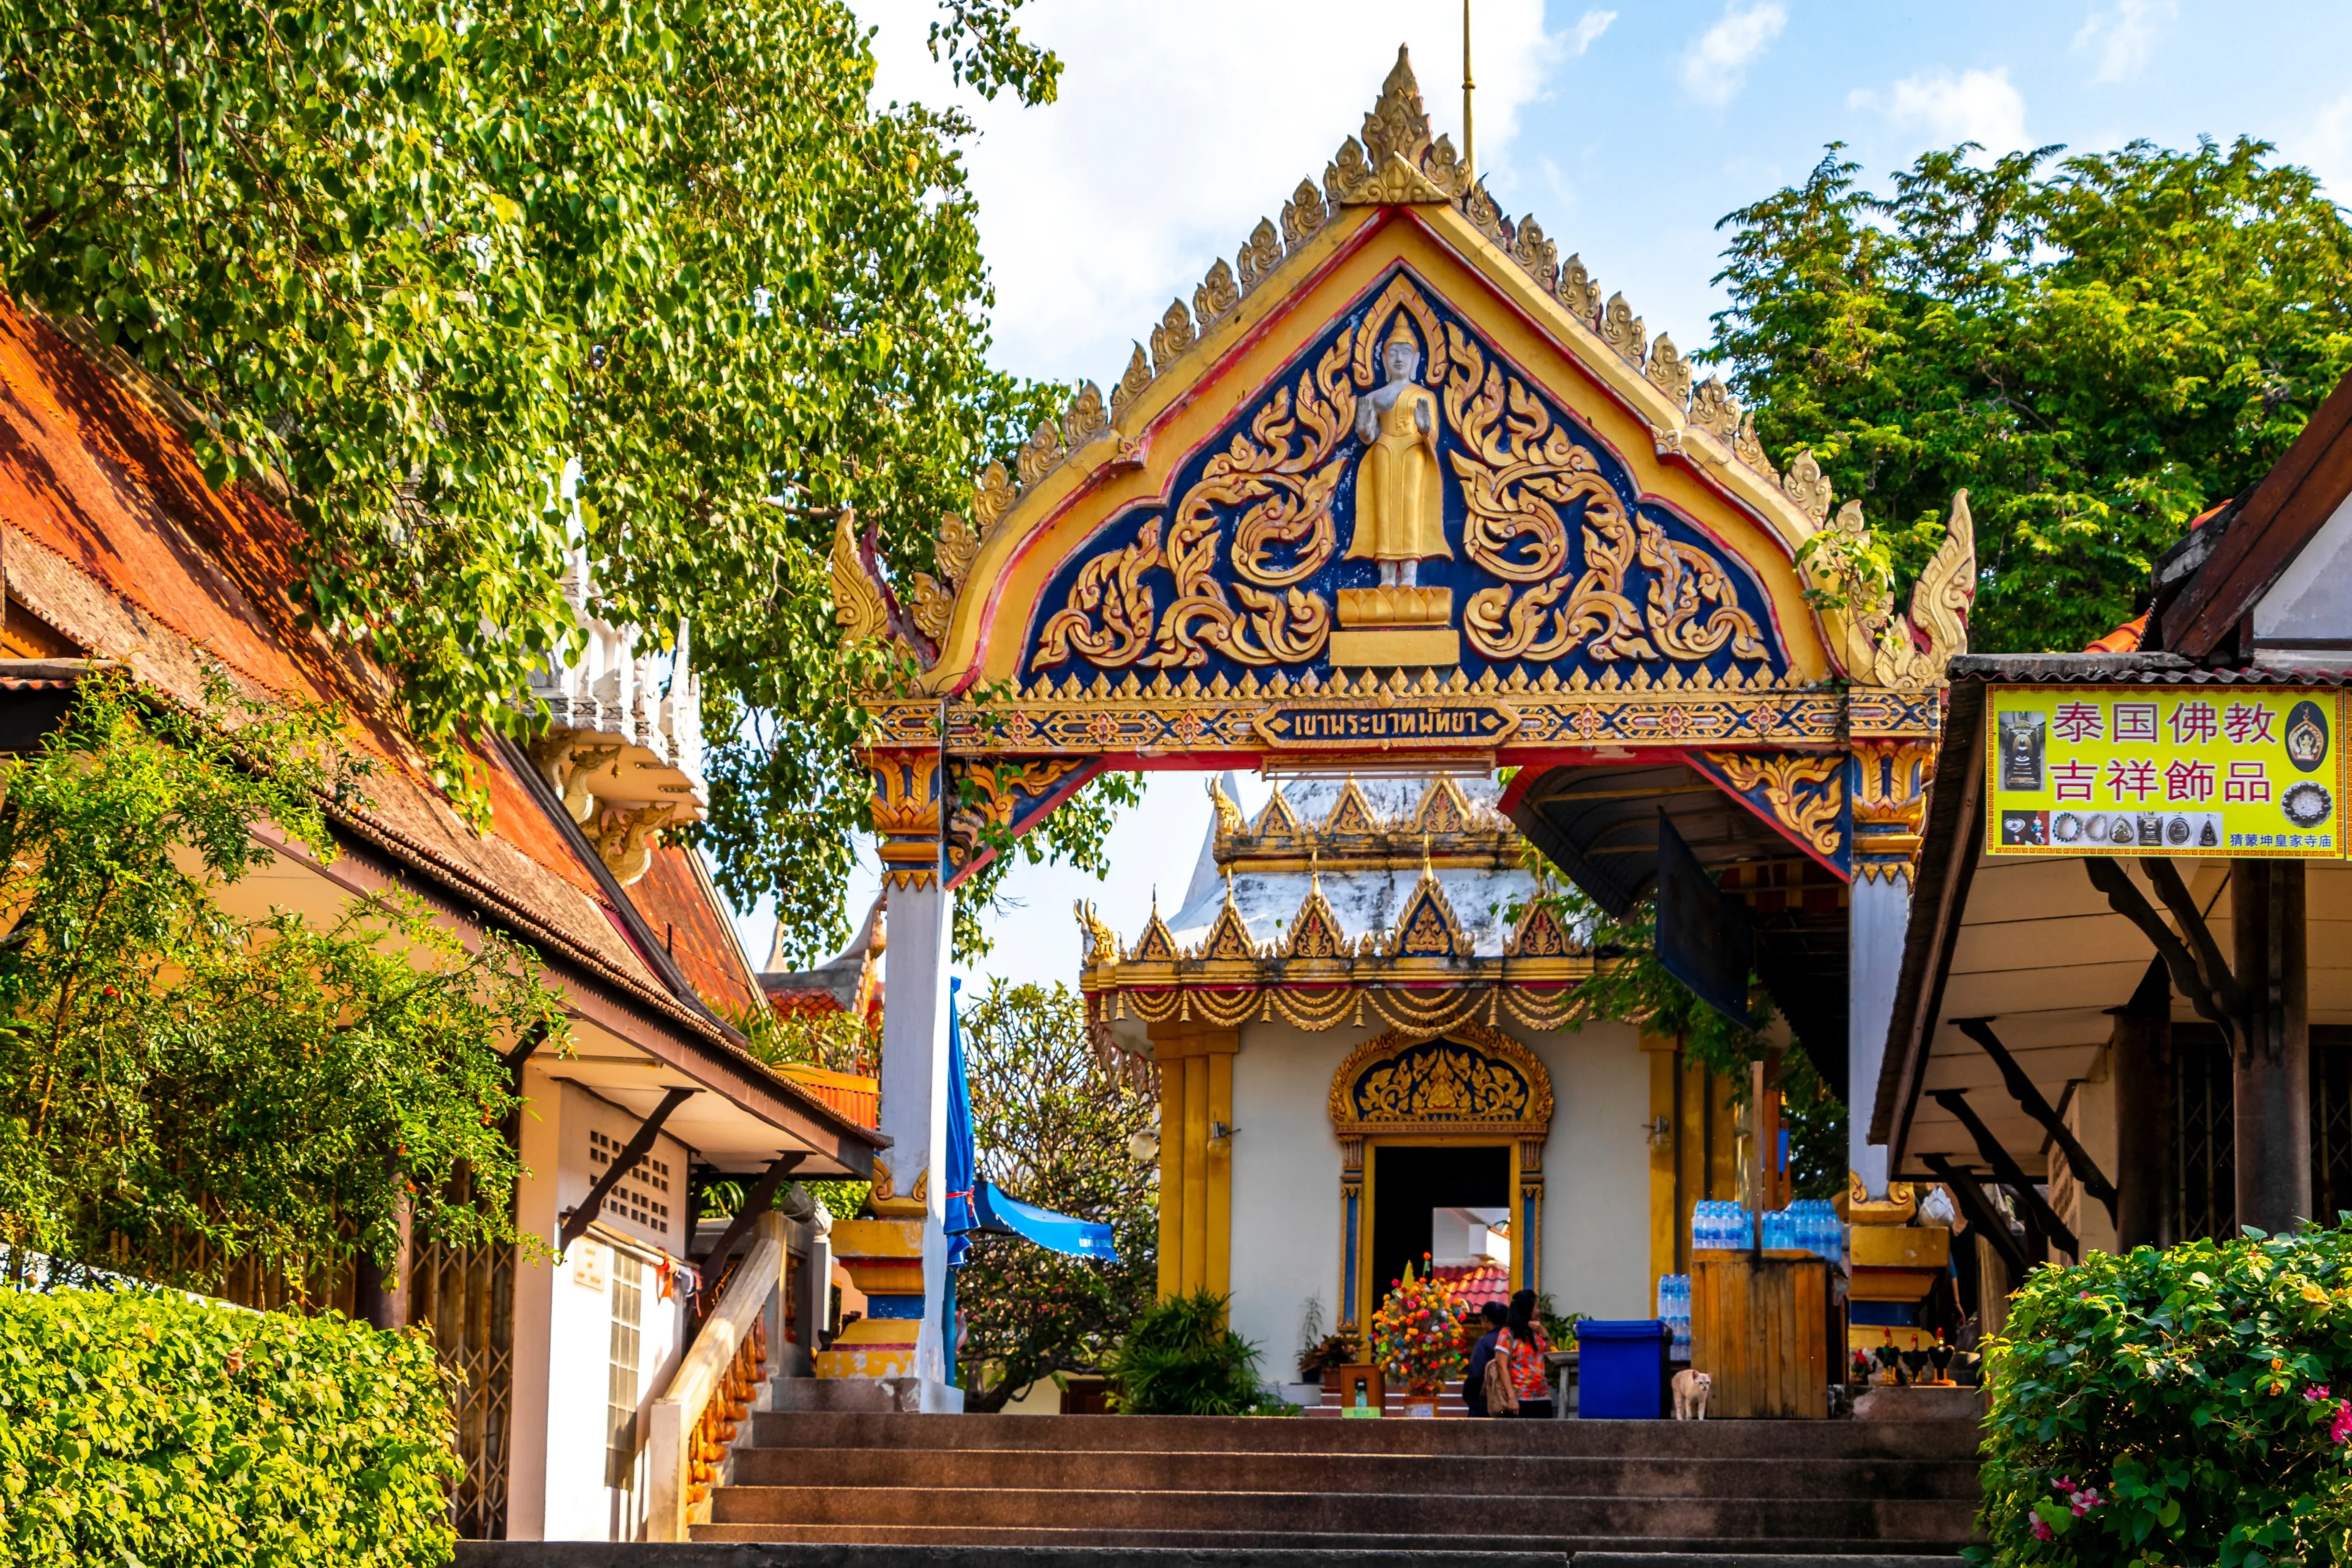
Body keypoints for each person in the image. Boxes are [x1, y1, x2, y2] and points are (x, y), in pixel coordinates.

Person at [1496, 1288, 1555, 1419]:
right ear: (1526, 1309)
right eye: (1536, 1307)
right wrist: (1512, 1397)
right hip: (1520, 1399)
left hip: (1543, 1397)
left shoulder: (1537, 1333)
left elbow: (1555, 1356)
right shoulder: (1507, 1334)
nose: (1539, 1311)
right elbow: (1502, 1366)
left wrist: (1545, 1334)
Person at [1461, 1300, 1509, 1417]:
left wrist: (1469, 1395)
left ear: (1485, 1319)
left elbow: (1476, 1373)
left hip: (1488, 1400)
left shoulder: (1484, 1342)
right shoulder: (1514, 1340)